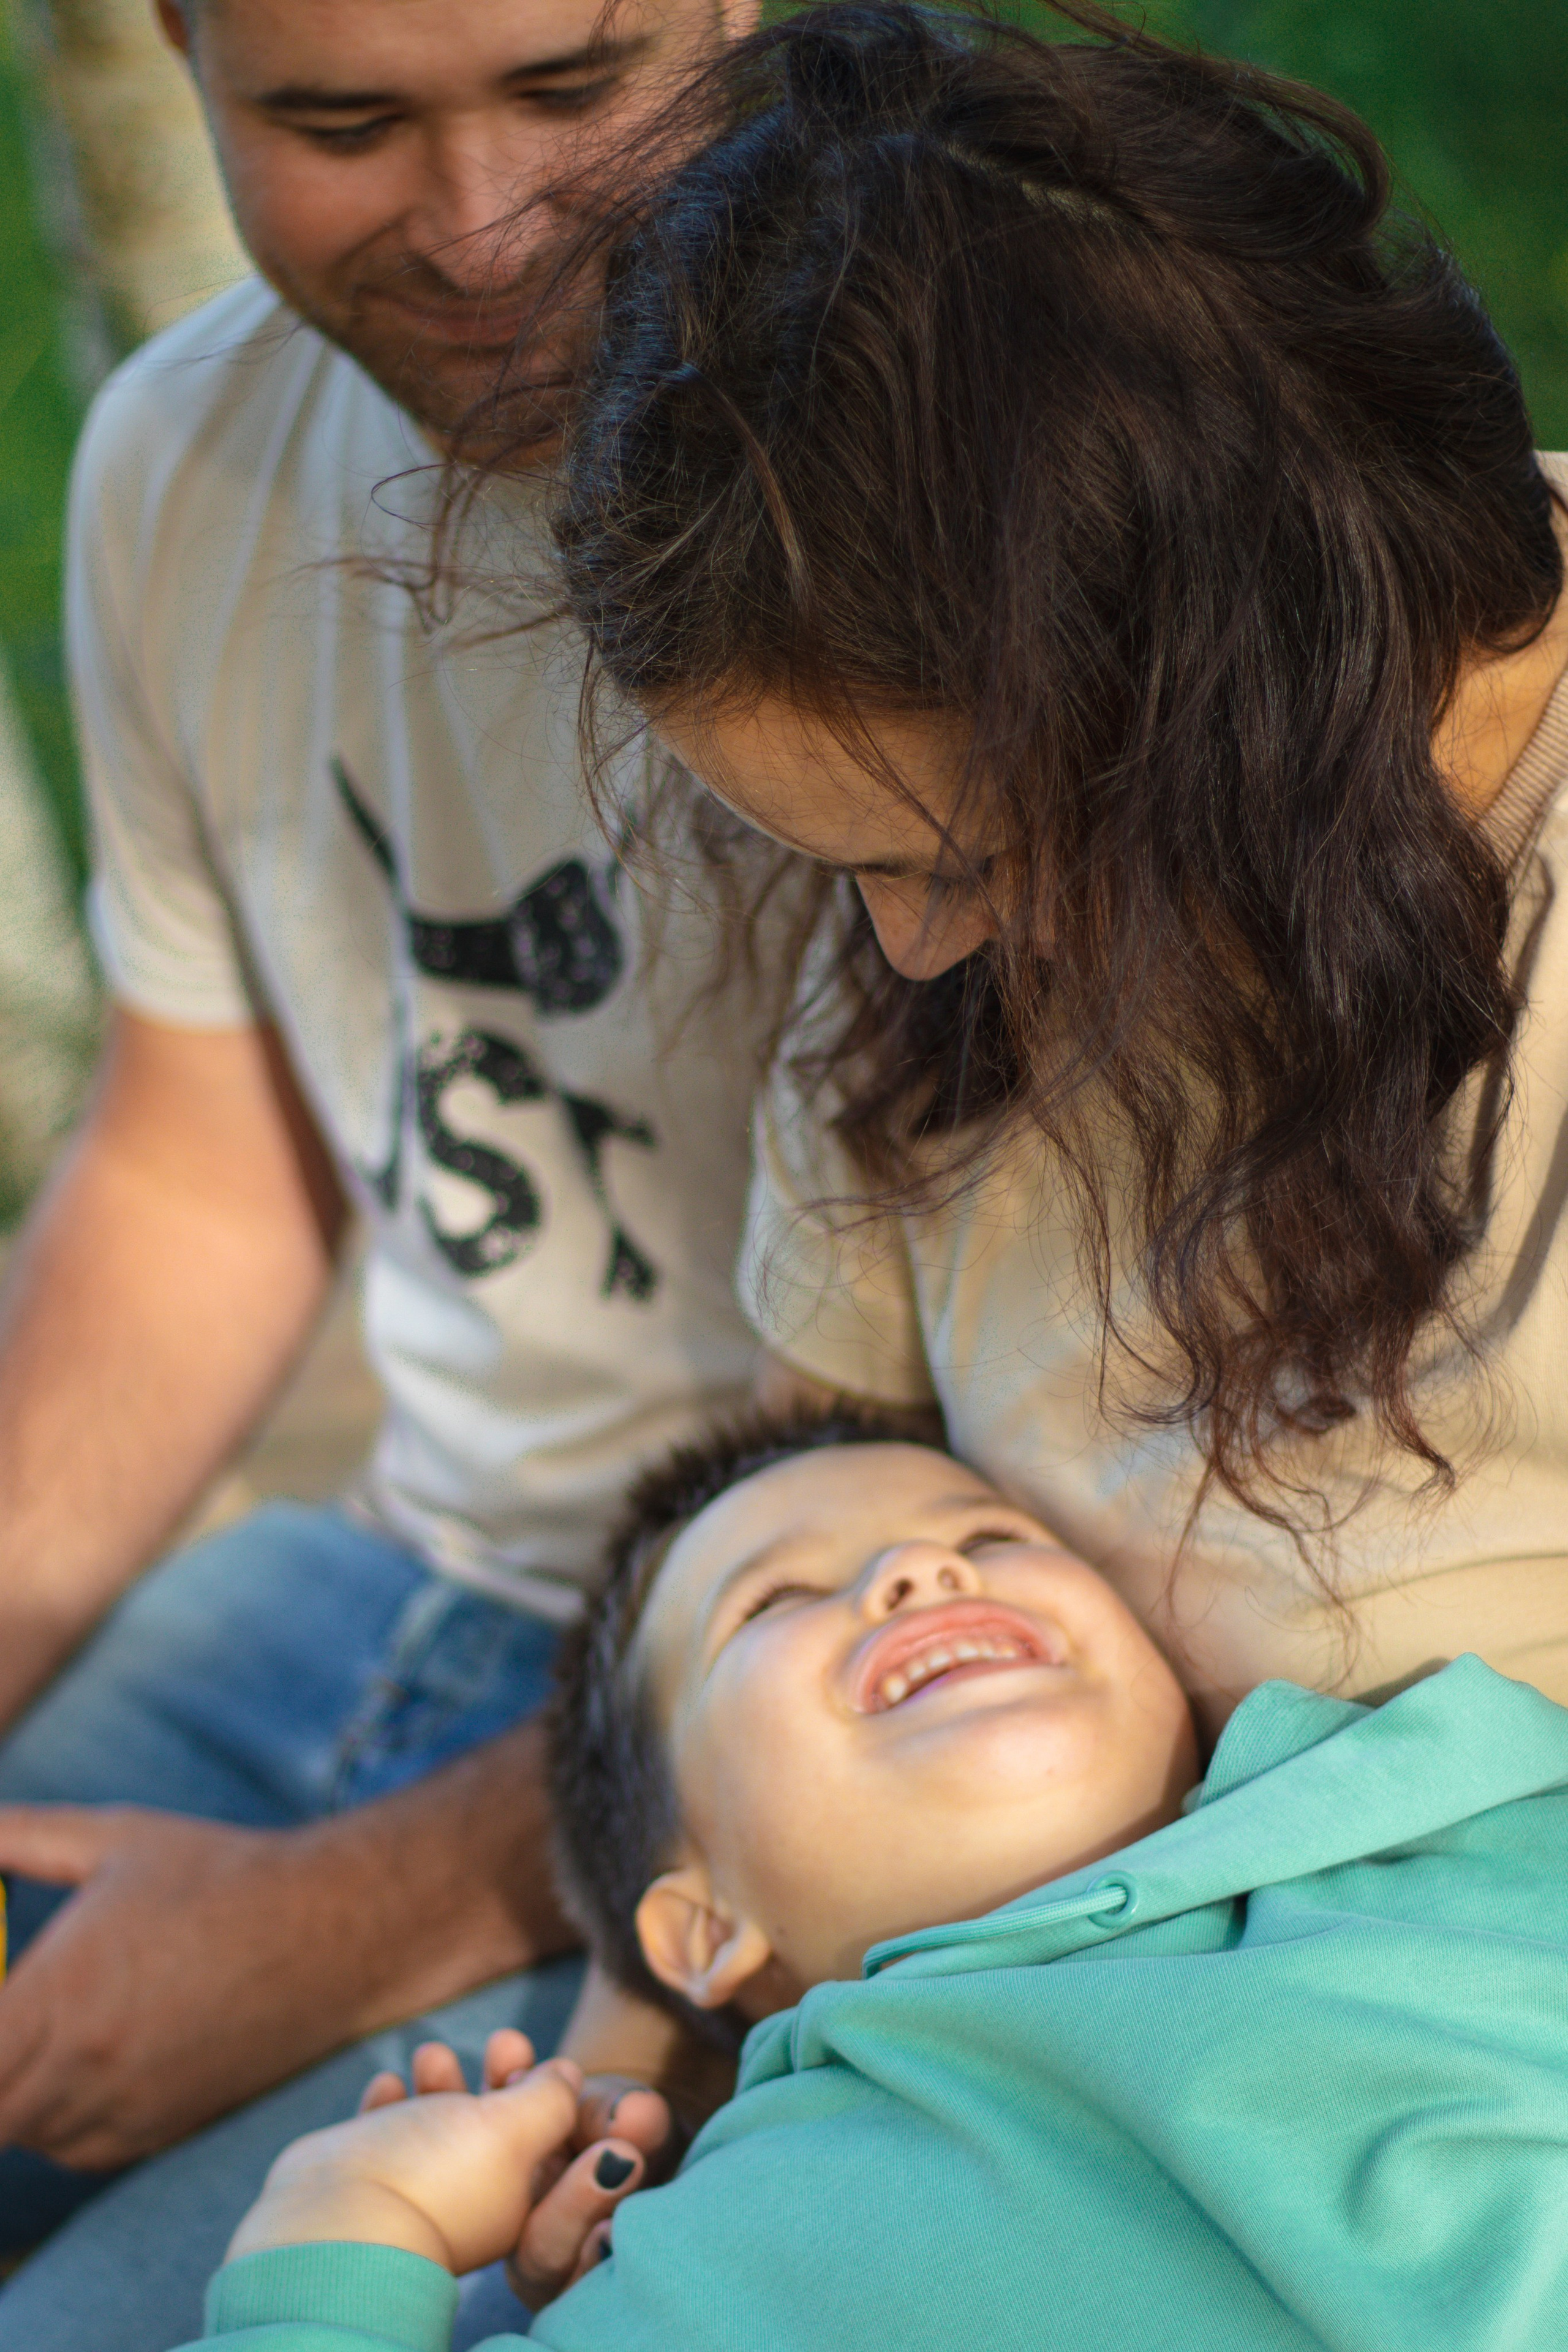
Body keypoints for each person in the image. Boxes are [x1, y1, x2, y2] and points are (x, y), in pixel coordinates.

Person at [0, 0, 760, 2342]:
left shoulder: (977, 456)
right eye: (340, 122)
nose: (479, 222)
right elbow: (206, 1173)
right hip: (392, 1580)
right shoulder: (180, 459)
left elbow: (1080, 1463)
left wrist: (360, 1917)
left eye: (576, 87)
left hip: (804, 1704)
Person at [550, 0, 1568, 1747]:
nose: (909, 950)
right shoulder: (948, 857)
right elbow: (757, 1667)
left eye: (967, 854)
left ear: (1235, 689)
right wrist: (627, 2021)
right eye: (834, 861)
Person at [178, 1415, 1568, 2350]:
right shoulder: (727, 2249)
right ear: (703, 1928)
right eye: (772, 1604)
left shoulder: (1434, 1794)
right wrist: (352, 2231)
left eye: (995, 1539)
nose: (918, 1565)